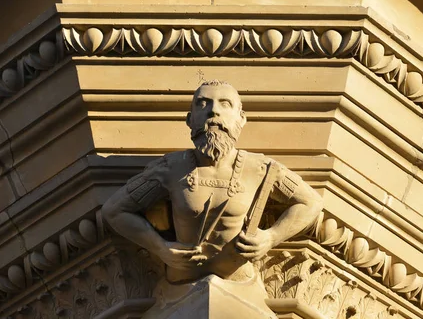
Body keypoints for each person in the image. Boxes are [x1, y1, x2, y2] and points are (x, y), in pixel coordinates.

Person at [102, 80, 323, 316]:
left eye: (224, 104)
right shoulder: (171, 168)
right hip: (178, 286)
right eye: (203, 103)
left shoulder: (260, 169)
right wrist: (161, 248)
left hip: (241, 283)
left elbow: (311, 202)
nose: (213, 111)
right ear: (190, 119)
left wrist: (270, 237)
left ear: (241, 118)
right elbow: (115, 210)